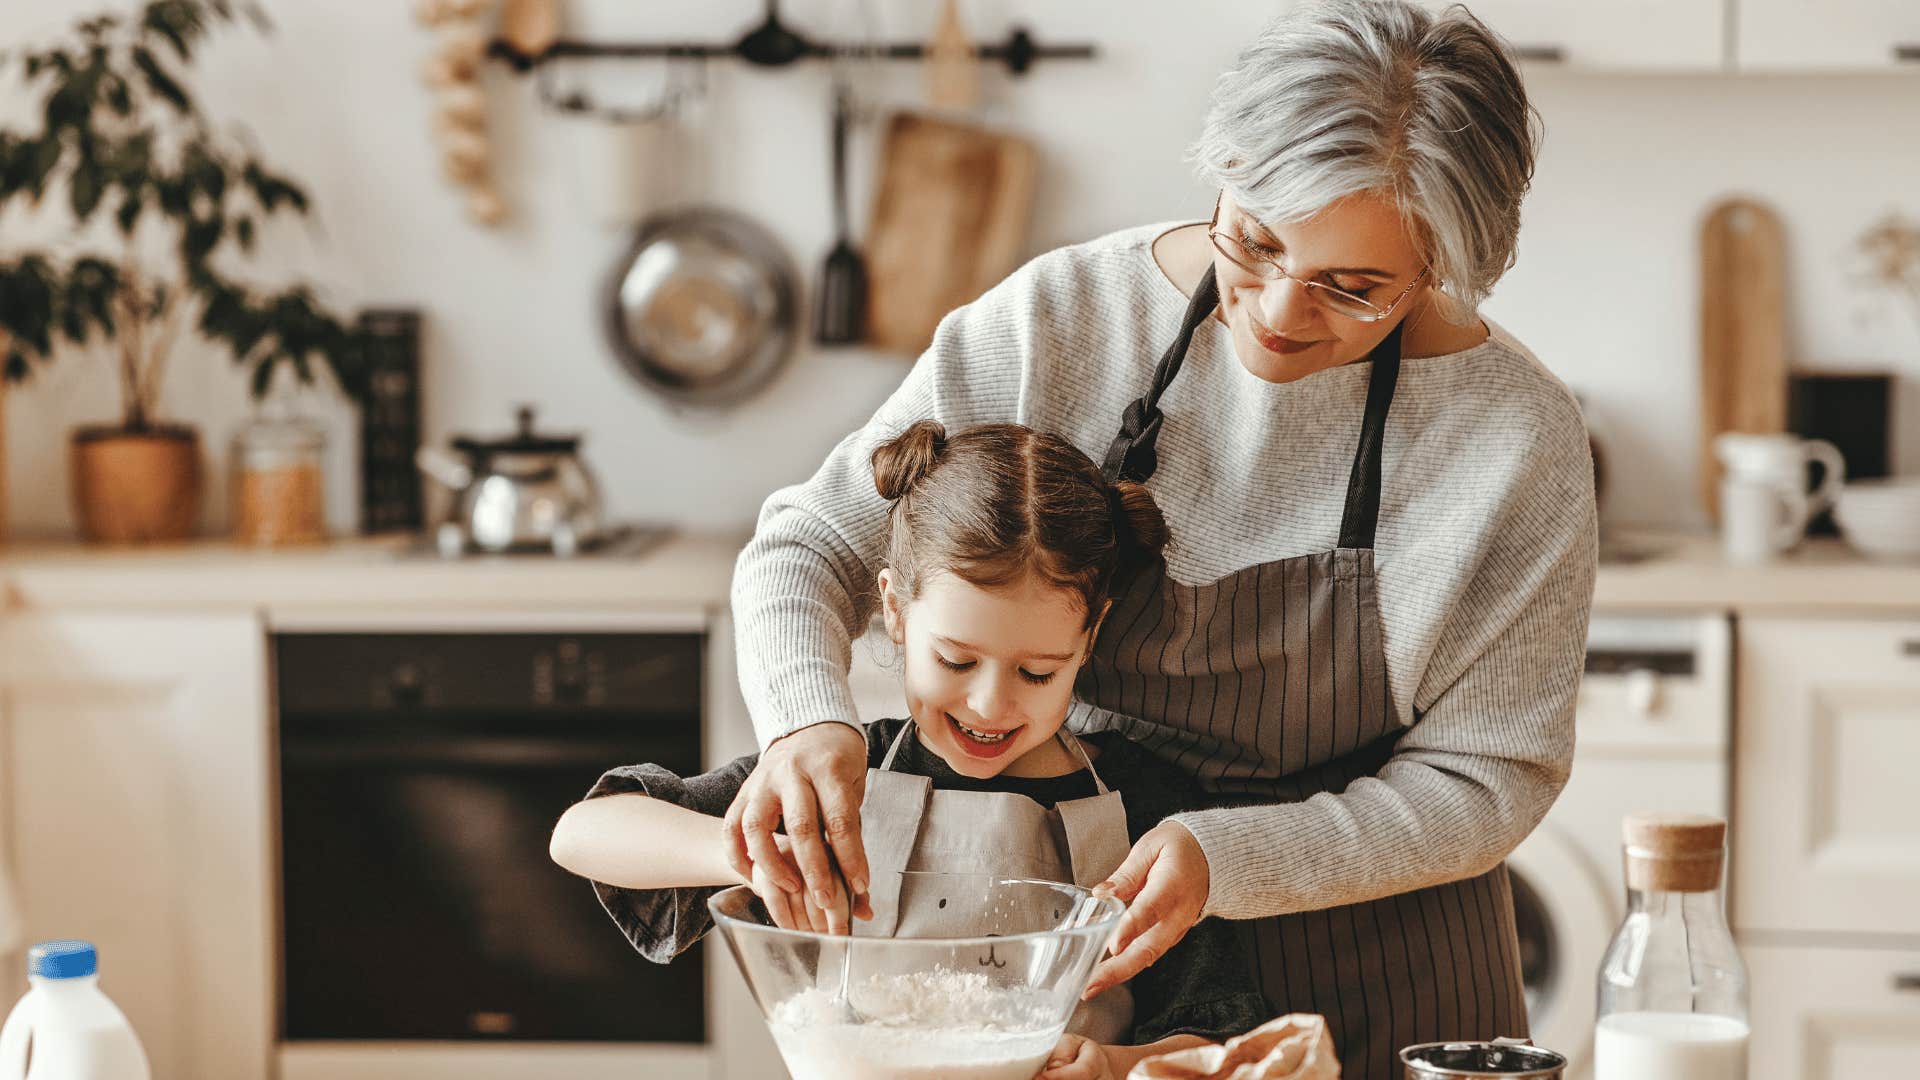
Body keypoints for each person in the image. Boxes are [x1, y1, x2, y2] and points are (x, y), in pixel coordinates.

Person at [718, 2, 1599, 1077]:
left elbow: (1488, 779)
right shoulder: (1063, 321)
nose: (1279, 310)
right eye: (1256, 239)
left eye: (1355, 287)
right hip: (1102, 980)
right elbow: (812, 547)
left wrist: (1226, 857)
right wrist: (804, 721)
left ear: (1455, 264)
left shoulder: (1515, 439)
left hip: (1392, 971)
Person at [551, 421, 1272, 1080]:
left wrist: (1116, 1066)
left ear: (1091, 634)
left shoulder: (1143, 809)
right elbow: (582, 832)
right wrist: (744, 853)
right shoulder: (835, 783)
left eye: (1037, 672)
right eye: (957, 662)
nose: (991, 704)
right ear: (893, 610)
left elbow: (1222, 1039)